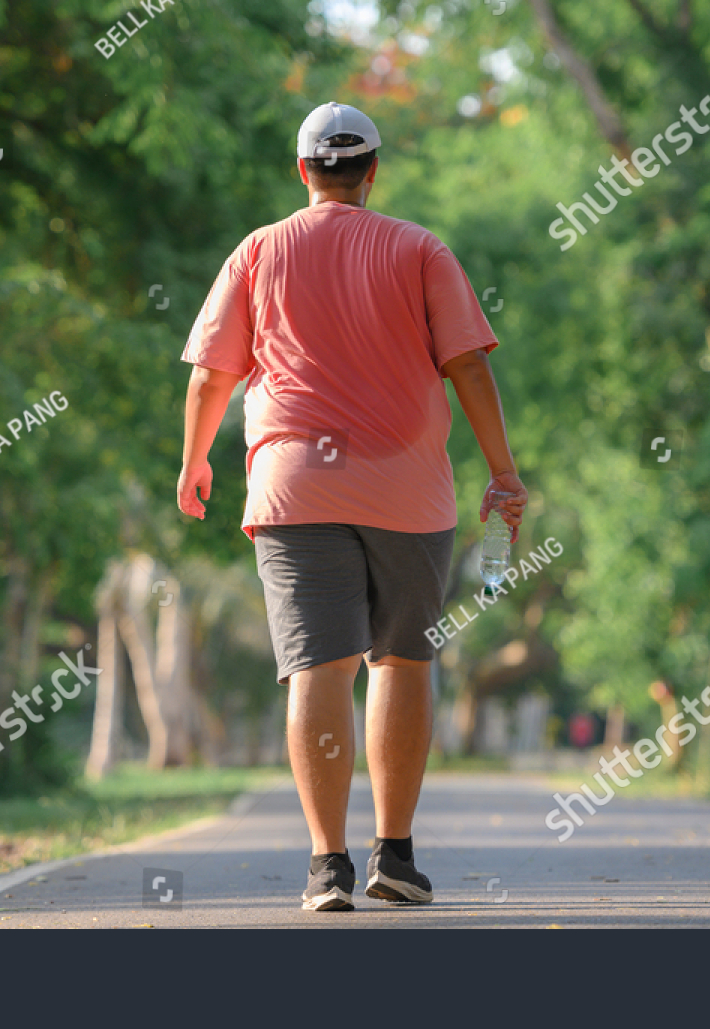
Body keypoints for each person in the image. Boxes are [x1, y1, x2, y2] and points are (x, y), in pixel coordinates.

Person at [176, 101, 526, 911]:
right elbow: (469, 366)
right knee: (401, 658)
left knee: (317, 665)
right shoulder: (420, 249)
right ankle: (394, 855)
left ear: (303, 170)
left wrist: (194, 460)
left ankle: (325, 865)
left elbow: (207, 376)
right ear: (373, 170)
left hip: (295, 488)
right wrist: (503, 472)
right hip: (407, 487)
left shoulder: (257, 251)